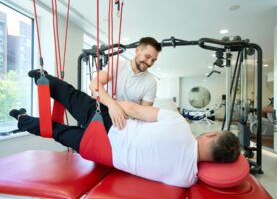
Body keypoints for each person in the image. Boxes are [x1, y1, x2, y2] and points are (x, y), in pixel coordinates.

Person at [9, 70, 241, 188]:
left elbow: (133, 108)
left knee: (73, 98)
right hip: (101, 153)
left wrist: (111, 104)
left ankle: (42, 78)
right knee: (58, 132)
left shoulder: (179, 124)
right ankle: (21, 119)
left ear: (210, 134)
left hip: (111, 125)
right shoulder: (187, 179)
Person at [89, 37, 162, 130]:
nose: (149, 62)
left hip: (128, 127)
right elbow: (94, 84)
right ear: (137, 51)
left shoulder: (151, 82)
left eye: (153, 60)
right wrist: (112, 105)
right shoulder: (116, 65)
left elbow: (144, 114)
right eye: (147, 57)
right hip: (106, 116)